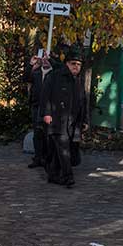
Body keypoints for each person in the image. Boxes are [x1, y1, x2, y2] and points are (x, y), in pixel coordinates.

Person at [40, 51, 86, 187]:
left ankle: (53, 175)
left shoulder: (77, 80)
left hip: (72, 122)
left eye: (79, 64)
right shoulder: (55, 76)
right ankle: (68, 177)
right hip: (57, 120)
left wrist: (85, 120)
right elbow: (45, 95)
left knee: (59, 150)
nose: (76, 67)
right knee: (63, 149)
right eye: (73, 64)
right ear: (66, 64)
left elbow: (83, 101)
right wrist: (46, 113)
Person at [27, 55, 53, 169]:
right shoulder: (36, 72)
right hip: (36, 106)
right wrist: (31, 65)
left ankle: (47, 158)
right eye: (44, 58)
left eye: (48, 59)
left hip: (49, 108)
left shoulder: (55, 74)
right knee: (37, 133)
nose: (45, 61)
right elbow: (26, 78)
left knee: (47, 133)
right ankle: (37, 157)